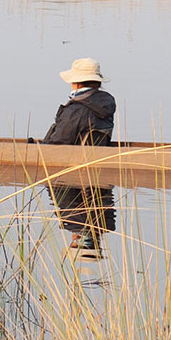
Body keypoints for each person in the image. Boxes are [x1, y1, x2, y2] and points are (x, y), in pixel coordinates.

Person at [36, 57, 118, 259]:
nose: (72, 239)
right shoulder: (105, 104)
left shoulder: (76, 109)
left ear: (78, 83)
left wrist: (35, 149)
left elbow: (57, 146)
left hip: (73, 168)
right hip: (96, 166)